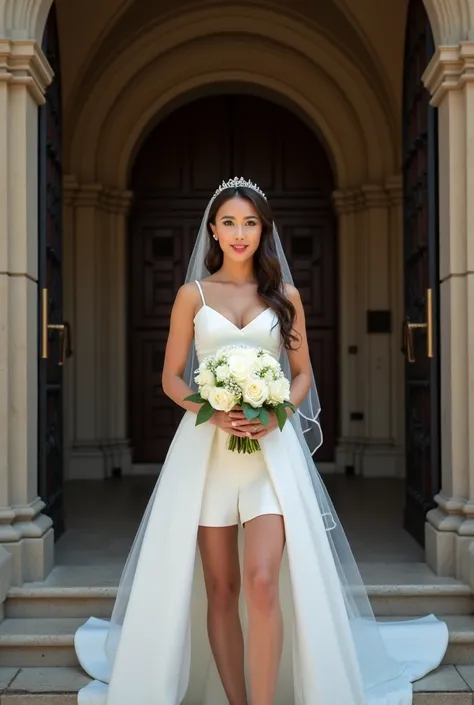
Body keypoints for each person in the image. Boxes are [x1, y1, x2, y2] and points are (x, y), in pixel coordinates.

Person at [75, 178, 448, 705]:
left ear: (264, 230)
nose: (239, 232)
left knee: (264, 581)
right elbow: (171, 379)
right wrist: (213, 411)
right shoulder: (192, 296)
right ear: (213, 229)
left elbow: (300, 376)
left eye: (250, 222)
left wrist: (278, 414)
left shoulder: (285, 296)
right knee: (221, 591)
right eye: (229, 222)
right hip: (206, 456)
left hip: (270, 458)